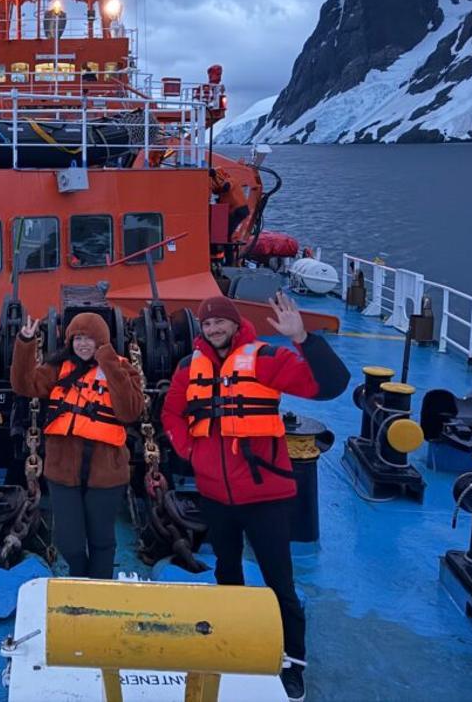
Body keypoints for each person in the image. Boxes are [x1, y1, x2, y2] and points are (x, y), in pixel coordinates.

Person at [161, 292, 350, 702]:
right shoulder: (188, 367)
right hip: (215, 495)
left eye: (220, 321)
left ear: (234, 323)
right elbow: (172, 413)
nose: (214, 328)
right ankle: (232, 642)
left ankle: (293, 662)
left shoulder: (265, 358)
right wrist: (190, 451)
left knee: (279, 582)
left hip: (264, 496)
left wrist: (303, 339)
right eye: (207, 323)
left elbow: (329, 385)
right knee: (227, 572)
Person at [10, 311, 143, 578]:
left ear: (101, 341)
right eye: (77, 338)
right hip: (63, 472)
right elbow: (24, 385)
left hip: (105, 475)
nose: (83, 344)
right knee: (69, 541)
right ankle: (79, 578)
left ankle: (100, 588)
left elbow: (130, 411)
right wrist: (25, 343)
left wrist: (108, 362)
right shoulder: (58, 368)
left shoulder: (122, 368)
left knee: (101, 540)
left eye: (89, 338)